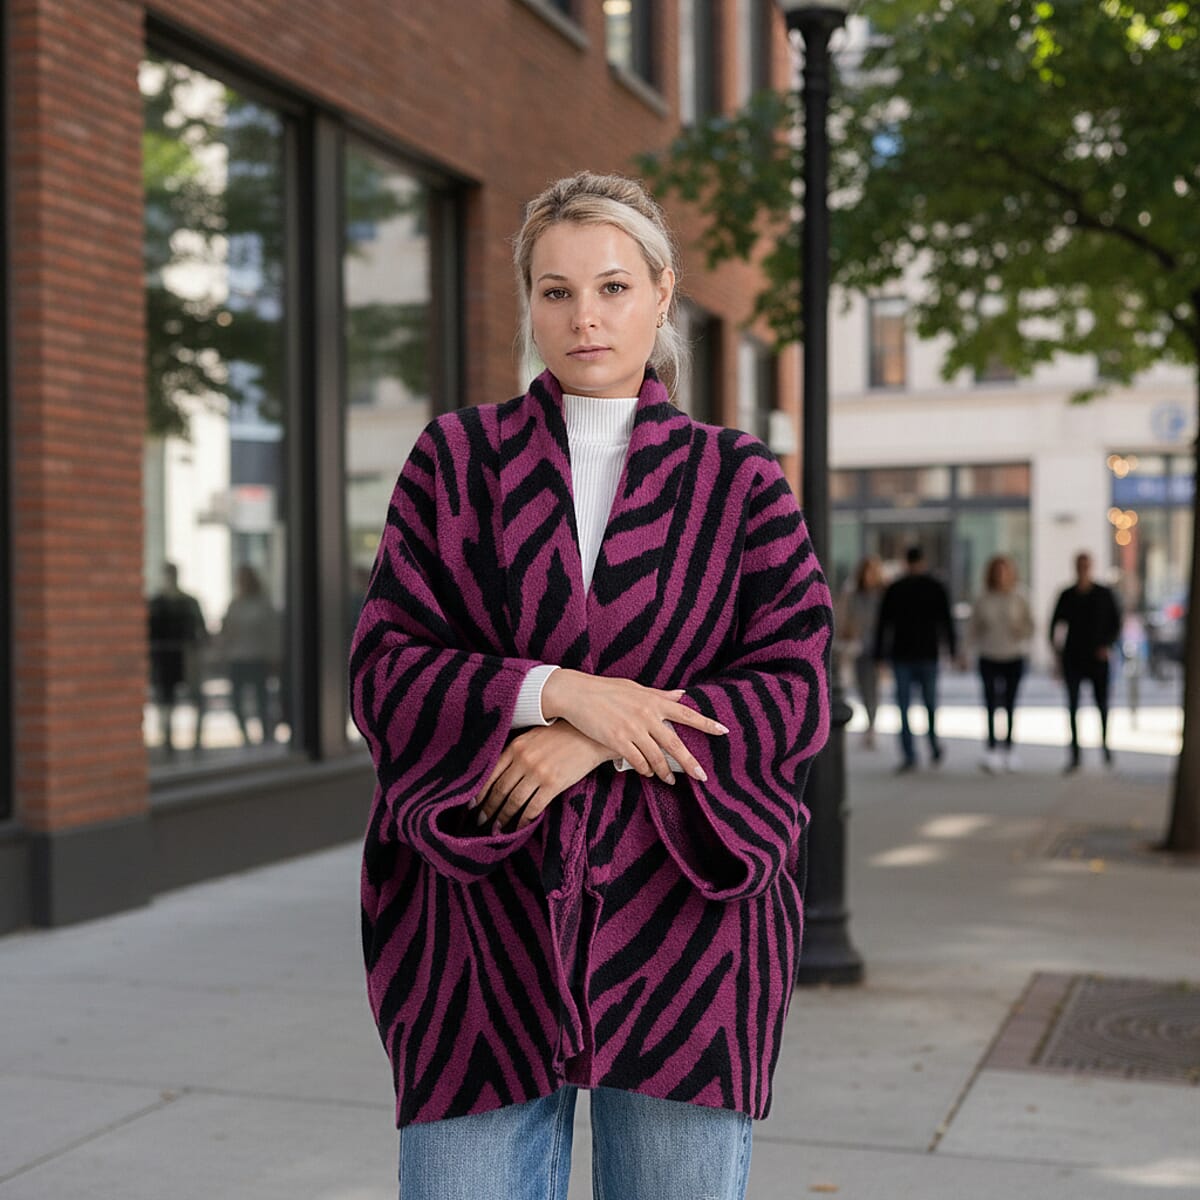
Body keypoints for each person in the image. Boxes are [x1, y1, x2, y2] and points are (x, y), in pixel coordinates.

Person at [349, 172, 833, 1200]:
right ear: (529, 304)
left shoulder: (738, 477)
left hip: (689, 936)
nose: (586, 316)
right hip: (479, 932)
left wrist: (600, 732)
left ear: (663, 295)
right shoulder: (456, 460)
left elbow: (795, 686)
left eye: (613, 287)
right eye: (556, 290)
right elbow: (386, 669)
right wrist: (555, 691)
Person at [873, 544, 957, 772]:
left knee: (905, 706)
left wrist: (879, 654)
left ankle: (911, 754)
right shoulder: (934, 587)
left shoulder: (896, 588)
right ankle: (932, 747)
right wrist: (952, 649)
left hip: (903, 654)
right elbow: (946, 621)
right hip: (924, 654)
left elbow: (883, 624)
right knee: (928, 704)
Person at [1050, 551, 1122, 772]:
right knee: (1072, 706)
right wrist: (1057, 654)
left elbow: (1116, 623)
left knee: (1102, 705)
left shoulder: (1103, 594)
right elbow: (1055, 626)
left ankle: (1105, 746)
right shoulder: (1067, 595)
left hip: (1097, 658)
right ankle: (1075, 754)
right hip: (1073, 657)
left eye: (1086, 565)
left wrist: (1107, 646)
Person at [967, 554, 1034, 773]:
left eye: (1005, 571)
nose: (1001, 575)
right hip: (988, 654)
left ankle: (1009, 748)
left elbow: (1031, 625)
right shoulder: (983, 598)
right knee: (990, 703)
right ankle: (991, 748)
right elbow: (973, 627)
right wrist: (964, 651)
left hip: (1013, 655)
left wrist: (1020, 632)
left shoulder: (1020, 596)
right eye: (997, 571)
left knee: (1010, 703)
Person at [146, 562, 208, 754]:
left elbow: (201, 629)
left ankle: (197, 737)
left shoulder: (189, 602)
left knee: (196, 697)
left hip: (186, 654)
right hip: (164, 656)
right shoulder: (155, 603)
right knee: (166, 698)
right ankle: (167, 739)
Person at [217, 564, 282, 745]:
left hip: (257, 657)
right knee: (236, 700)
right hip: (237, 658)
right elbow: (226, 632)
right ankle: (245, 736)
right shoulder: (234, 604)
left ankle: (266, 735)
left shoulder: (263, 603)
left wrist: (274, 656)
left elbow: (273, 632)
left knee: (262, 700)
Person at [836, 555, 885, 749]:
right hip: (858, 647)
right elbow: (844, 617)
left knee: (874, 688)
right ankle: (869, 721)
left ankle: (872, 725)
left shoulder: (882, 594)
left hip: (877, 649)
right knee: (863, 688)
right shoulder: (853, 594)